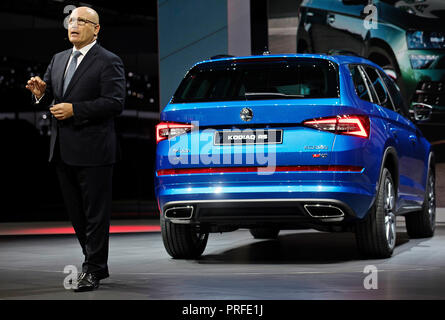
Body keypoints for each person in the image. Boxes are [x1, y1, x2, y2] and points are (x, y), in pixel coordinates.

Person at [25, 6, 126, 292]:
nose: (74, 25)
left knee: (95, 214)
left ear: (96, 29)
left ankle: (93, 269)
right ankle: (94, 263)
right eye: (72, 20)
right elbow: (53, 102)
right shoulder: (58, 60)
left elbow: (115, 102)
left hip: (95, 150)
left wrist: (76, 110)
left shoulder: (109, 61)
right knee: (77, 216)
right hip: (62, 150)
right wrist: (41, 93)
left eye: (82, 21)